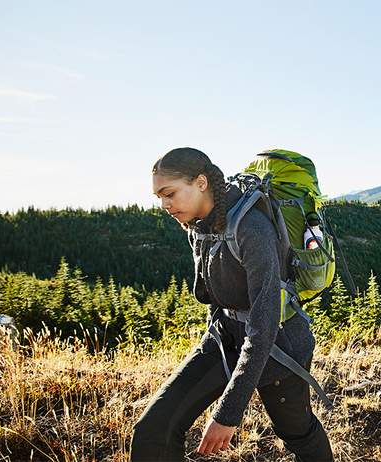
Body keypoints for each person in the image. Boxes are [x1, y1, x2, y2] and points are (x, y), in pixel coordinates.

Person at [131, 148, 333, 461]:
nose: (164, 205)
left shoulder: (251, 227)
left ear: (200, 182)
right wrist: (211, 344)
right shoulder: (200, 226)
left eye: (169, 193)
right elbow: (216, 293)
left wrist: (227, 413)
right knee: (154, 430)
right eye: (158, 196)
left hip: (280, 345)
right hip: (226, 337)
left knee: (298, 432)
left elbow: (264, 326)